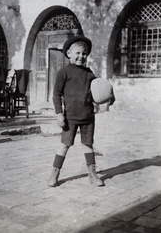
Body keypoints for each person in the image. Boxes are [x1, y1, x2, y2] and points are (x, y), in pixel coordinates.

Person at [48, 35, 115, 187]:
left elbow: (99, 89)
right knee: (64, 144)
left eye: (84, 53)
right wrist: (59, 114)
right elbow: (56, 94)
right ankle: (55, 173)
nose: (81, 56)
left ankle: (92, 174)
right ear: (68, 53)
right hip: (69, 117)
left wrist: (110, 94)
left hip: (88, 116)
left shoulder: (89, 73)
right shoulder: (63, 73)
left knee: (88, 144)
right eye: (77, 53)